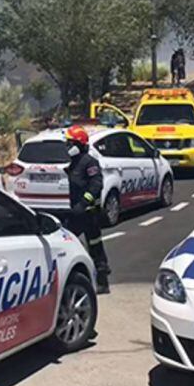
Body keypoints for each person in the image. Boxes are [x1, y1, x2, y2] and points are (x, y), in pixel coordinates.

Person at [63, 125, 111, 293]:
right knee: (68, 244)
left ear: (79, 144)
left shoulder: (89, 162)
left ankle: (102, 281)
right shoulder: (69, 163)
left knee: (95, 246)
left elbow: (96, 184)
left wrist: (84, 203)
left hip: (89, 213)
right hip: (73, 213)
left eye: (70, 143)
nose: (67, 146)